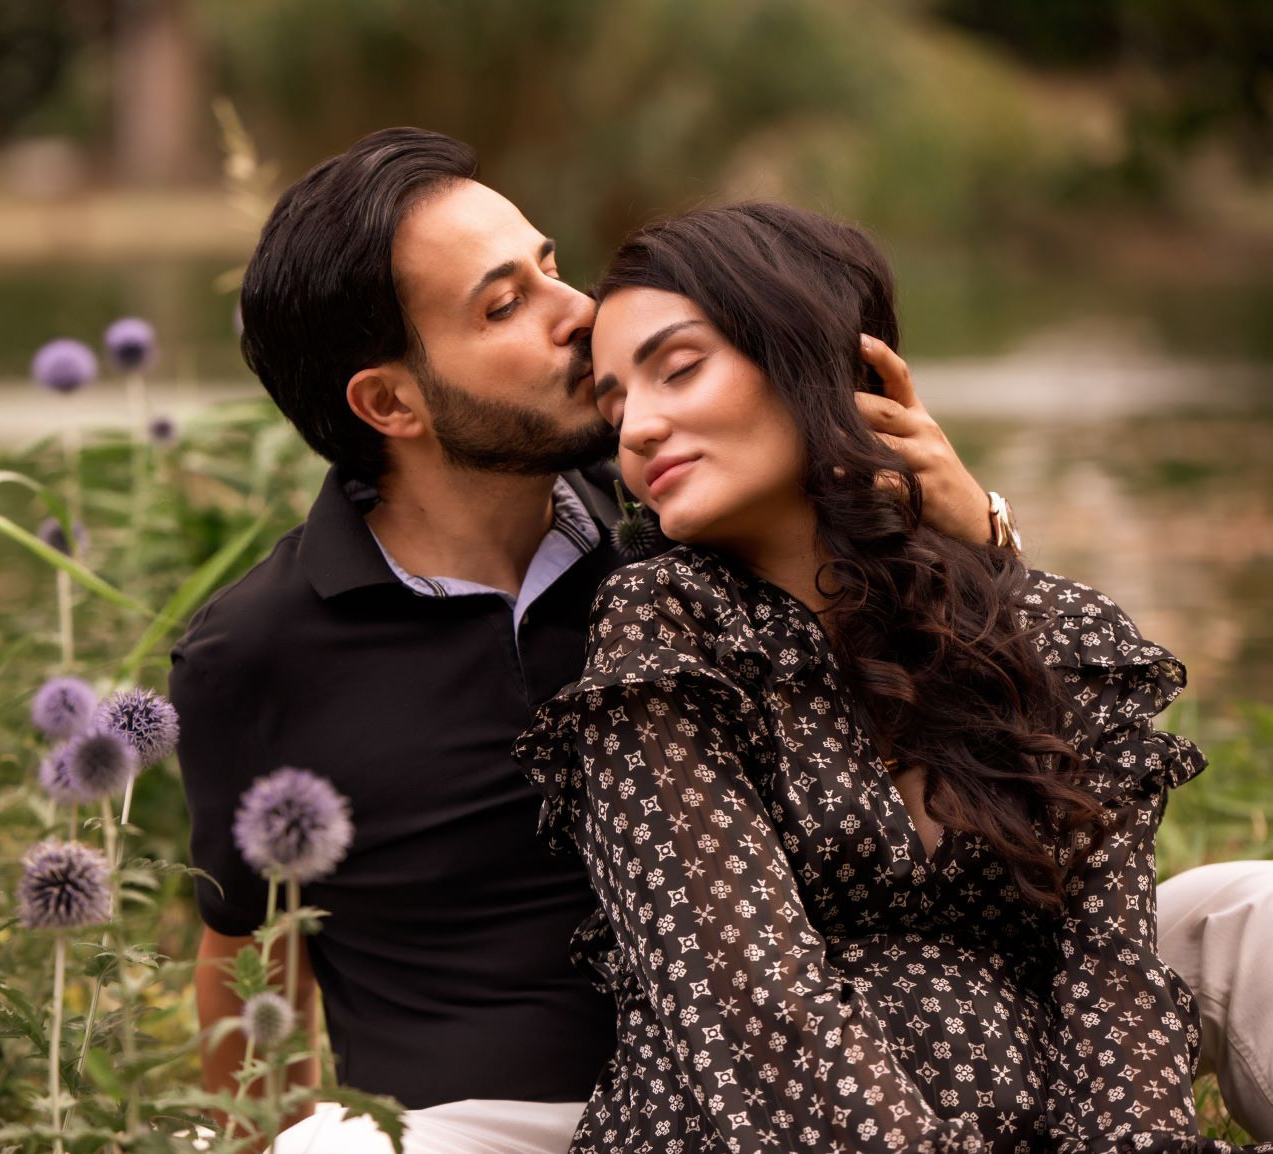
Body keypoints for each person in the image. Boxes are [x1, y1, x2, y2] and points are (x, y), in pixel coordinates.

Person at [171, 128, 1002, 1150]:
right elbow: (241, 954)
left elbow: (968, 723)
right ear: (390, 401)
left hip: (802, 1073)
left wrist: (983, 535)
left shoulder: (680, 518)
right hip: (486, 1126)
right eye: (505, 304)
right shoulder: (254, 649)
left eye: (550, 266)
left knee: (1244, 911)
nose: (582, 317)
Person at [514, 201, 1273, 1153]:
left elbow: (1111, 986)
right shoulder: (666, 635)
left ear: (823, 358)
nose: (638, 429)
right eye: (616, 402)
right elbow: (751, 1005)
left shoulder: (1060, 634)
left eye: (679, 367)